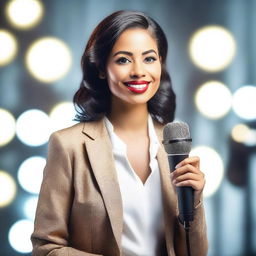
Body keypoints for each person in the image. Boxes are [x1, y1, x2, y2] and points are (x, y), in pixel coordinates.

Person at [31, 10, 208, 256]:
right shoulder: (68, 145)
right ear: (101, 68)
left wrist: (195, 203)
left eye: (149, 58)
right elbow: (46, 248)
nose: (138, 71)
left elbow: (193, 253)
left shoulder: (173, 144)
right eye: (123, 60)